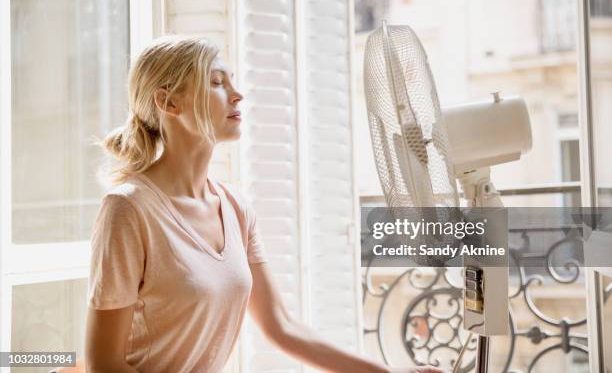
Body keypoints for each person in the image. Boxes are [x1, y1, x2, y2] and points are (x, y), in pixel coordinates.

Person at [84, 35, 444, 373]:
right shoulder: (128, 210)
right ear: (168, 102)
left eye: (232, 81)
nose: (237, 95)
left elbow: (282, 326)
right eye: (216, 82)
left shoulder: (235, 207)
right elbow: (103, 363)